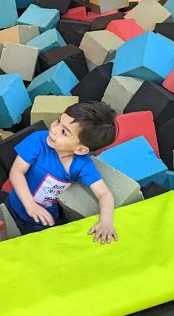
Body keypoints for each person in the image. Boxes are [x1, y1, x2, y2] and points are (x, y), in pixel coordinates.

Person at [7, 101, 118, 243]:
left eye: (64, 132)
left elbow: (104, 194)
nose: (53, 129)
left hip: (43, 221)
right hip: (14, 205)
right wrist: (30, 205)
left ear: (80, 149)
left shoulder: (81, 165)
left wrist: (106, 221)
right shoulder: (38, 141)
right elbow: (16, 172)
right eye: (58, 121)